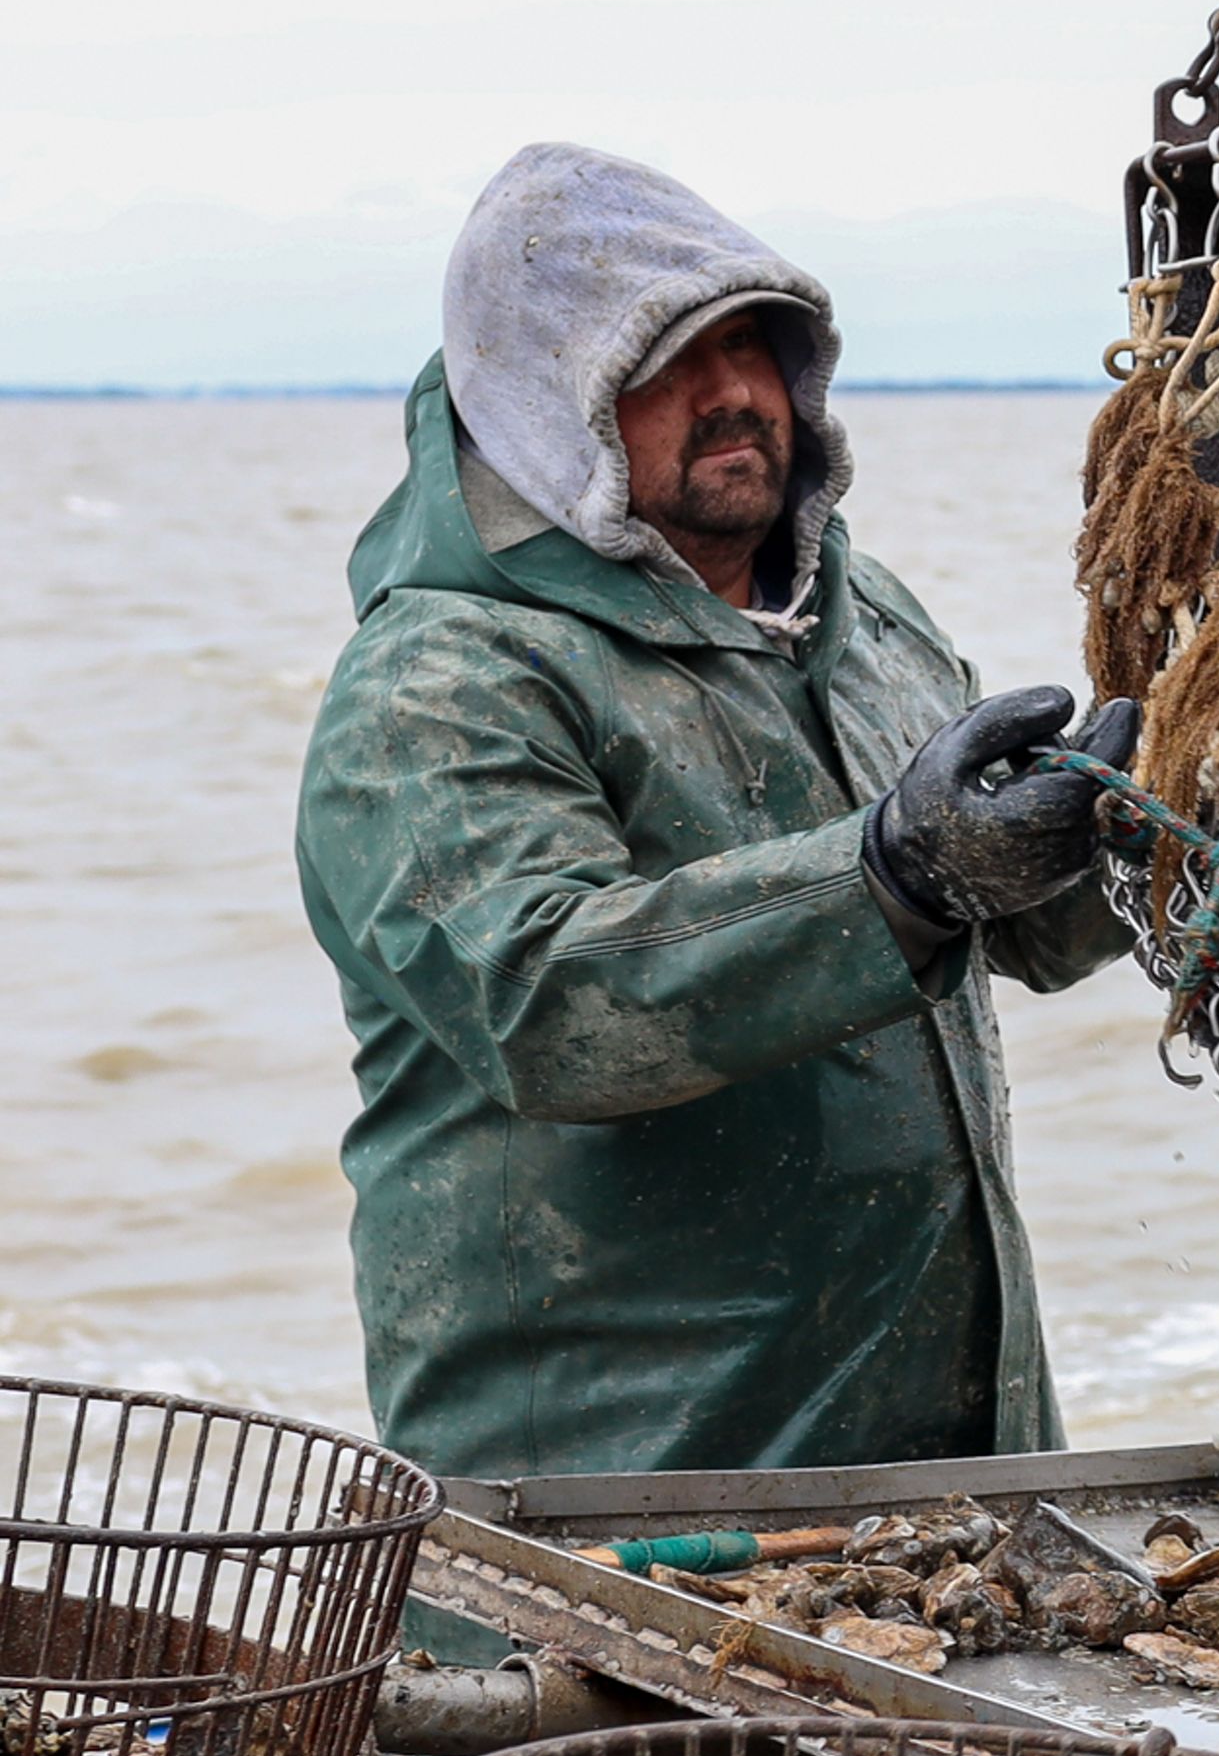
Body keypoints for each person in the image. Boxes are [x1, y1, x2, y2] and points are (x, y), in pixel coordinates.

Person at [298, 143, 1142, 1483]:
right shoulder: (440, 678)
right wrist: (898, 876)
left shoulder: (859, 623)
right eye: (669, 361)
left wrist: (1143, 831)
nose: (738, 393)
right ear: (538, 401)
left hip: (954, 1467)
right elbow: (543, 1002)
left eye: (758, 346)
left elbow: (1020, 931)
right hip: (612, 1496)